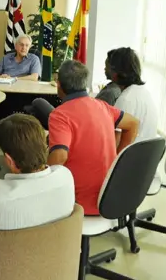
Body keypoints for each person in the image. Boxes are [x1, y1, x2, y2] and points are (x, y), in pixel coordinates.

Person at [47, 60, 139, 216]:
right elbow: (133, 124)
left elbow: (60, 156)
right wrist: (118, 158)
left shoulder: (60, 115)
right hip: (109, 197)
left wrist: (40, 175)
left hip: (77, 203)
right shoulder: (102, 106)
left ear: (58, 84)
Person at [26, 48, 122, 129]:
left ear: (59, 84)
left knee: (37, 102)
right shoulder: (112, 93)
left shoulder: (110, 93)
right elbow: (132, 123)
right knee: (33, 107)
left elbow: (60, 151)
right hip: (80, 115)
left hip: (75, 122)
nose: (104, 68)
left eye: (106, 66)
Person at [107, 47, 159, 142]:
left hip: (127, 155)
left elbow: (114, 143)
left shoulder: (125, 99)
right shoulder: (146, 93)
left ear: (115, 73)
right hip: (145, 155)